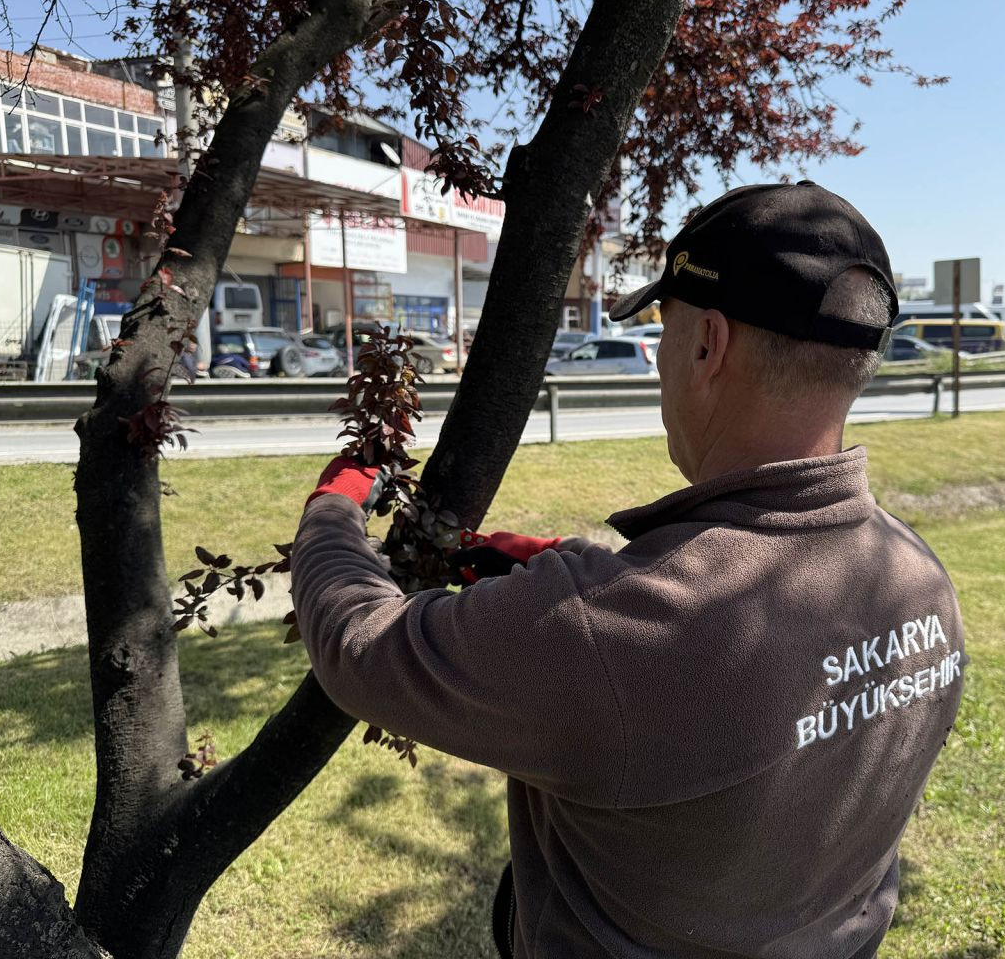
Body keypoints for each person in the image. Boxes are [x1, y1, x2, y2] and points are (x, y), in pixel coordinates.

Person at [292, 181, 966, 959]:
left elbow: (363, 646)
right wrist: (572, 574)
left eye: (665, 333)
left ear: (708, 345)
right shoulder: (918, 578)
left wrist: (332, 510)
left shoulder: (618, 633)